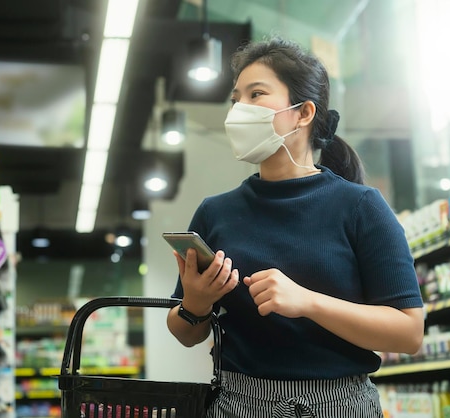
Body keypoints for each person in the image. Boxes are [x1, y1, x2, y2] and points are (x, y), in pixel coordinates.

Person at [166, 36, 424, 418]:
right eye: (236, 98)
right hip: (238, 404)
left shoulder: (361, 207)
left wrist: (308, 302)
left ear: (303, 113)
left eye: (256, 94)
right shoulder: (215, 212)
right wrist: (196, 304)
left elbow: (408, 333)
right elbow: (185, 332)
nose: (239, 109)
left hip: (339, 405)